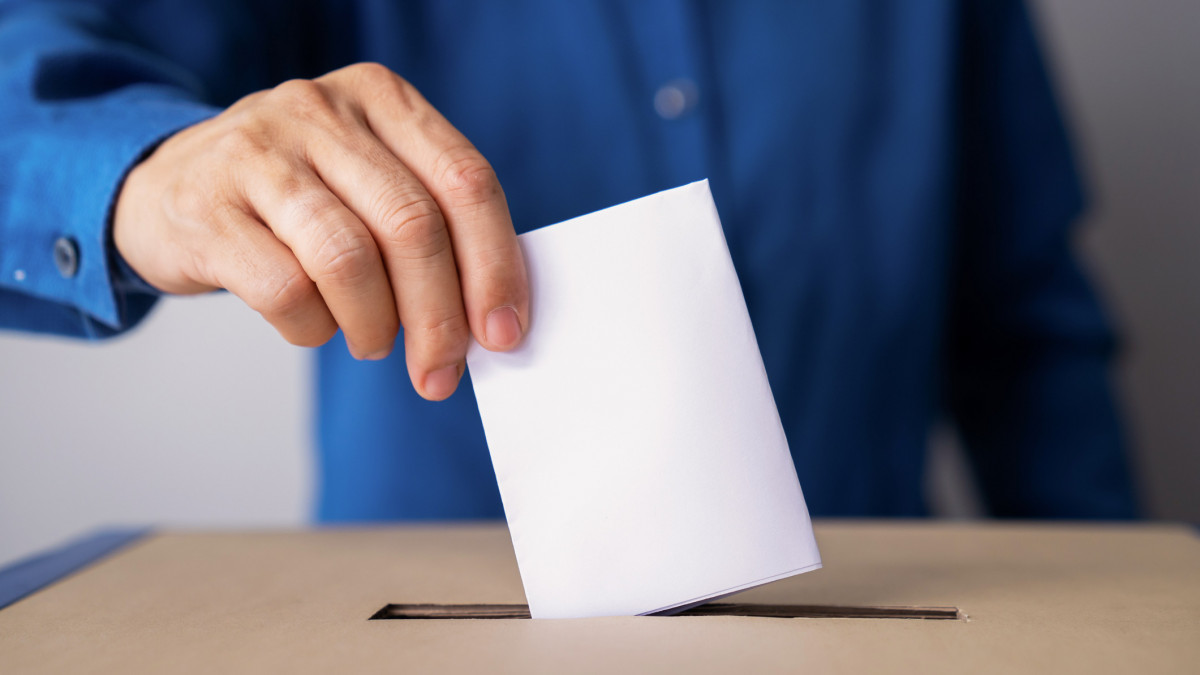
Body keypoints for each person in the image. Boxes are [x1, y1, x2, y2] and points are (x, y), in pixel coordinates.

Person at [0, 0, 1137, 520]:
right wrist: (146, 170)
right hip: (417, 617)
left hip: (877, 619)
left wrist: (1110, 605)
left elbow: (1030, 334)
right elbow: (35, 56)